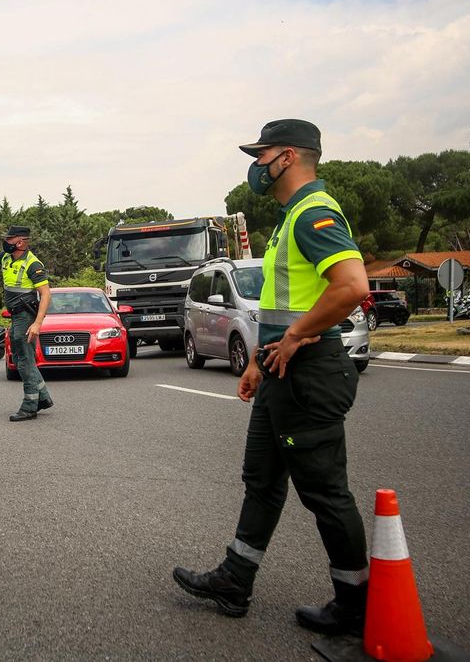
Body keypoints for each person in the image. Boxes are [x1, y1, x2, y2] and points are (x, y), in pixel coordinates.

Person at [173, 120, 372, 635]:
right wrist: (260, 362)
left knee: (324, 491)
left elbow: (351, 287)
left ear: (286, 157)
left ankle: (355, 604)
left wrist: (295, 337)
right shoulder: (289, 218)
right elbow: (287, 304)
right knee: (261, 479)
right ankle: (234, 581)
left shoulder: (313, 211)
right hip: (281, 371)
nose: (256, 166)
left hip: (309, 373)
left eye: (262, 156)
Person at [0, 226, 53, 421]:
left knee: (24, 360)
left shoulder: (34, 264)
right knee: (19, 359)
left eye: (10, 239)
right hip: (16, 317)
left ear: (21, 242)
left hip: (26, 317)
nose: (6, 241)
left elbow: (46, 294)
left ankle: (29, 406)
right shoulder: (5, 257)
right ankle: (43, 397)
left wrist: (37, 324)